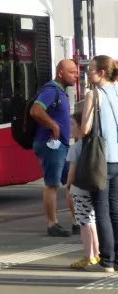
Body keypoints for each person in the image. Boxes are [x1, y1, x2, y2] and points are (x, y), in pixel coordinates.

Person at [29, 59, 78, 237]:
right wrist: (54, 126)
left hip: (62, 146)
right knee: (52, 184)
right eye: (72, 72)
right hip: (51, 146)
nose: (76, 75)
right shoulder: (51, 90)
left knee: (73, 183)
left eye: (76, 71)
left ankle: (77, 222)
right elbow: (35, 110)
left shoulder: (61, 92)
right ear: (60, 73)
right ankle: (52, 224)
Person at [80, 56, 118, 273]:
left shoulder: (93, 95)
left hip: (100, 160)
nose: (88, 73)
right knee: (115, 209)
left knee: (101, 211)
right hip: (117, 158)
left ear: (102, 72)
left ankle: (107, 261)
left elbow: (85, 129)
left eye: (91, 69)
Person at [66, 111, 100, 269]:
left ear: (81, 127)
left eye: (73, 124)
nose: (70, 127)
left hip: (79, 190)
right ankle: (97, 254)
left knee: (84, 223)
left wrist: (68, 185)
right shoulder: (95, 144)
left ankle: (88, 256)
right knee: (92, 221)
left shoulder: (76, 148)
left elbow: (72, 172)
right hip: (94, 187)